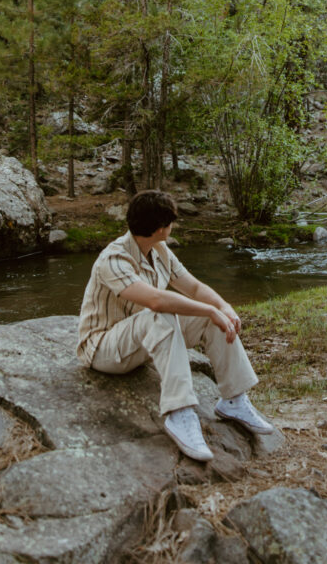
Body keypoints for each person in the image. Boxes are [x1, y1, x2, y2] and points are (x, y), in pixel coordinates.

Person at [77, 189, 273, 462]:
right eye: (170, 223)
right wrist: (210, 309)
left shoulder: (159, 249)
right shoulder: (113, 259)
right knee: (163, 313)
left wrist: (222, 308)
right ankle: (178, 412)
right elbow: (156, 301)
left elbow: (192, 286)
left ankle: (234, 400)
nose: (172, 227)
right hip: (104, 349)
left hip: (142, 339)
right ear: (160, 228)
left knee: (210, 317)